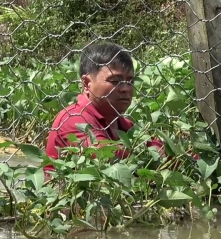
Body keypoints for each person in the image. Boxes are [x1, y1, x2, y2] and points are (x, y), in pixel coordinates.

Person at [44, 42, 164, 175]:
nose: (125, 88)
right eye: (115, 81)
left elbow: (159, 149)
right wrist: (151, 153)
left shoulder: (123, 124)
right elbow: (105, 153)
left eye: (130, 81)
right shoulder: (73, 118)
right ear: (86, 83)